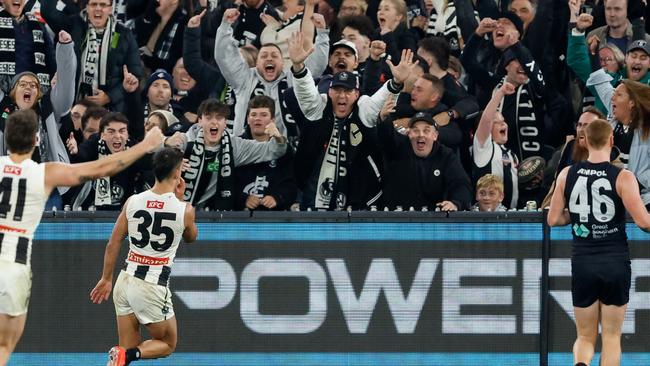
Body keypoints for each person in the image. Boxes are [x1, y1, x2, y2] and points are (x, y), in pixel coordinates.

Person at [0, 109, 164, 366]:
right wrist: (145, 145)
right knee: (4, 345)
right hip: (14, 264)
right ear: (37, 140)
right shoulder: (45, 172)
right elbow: (101, 167)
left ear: (6, 138)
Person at [548, 119, 650, 366]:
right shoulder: (623, 176)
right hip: (614, 260)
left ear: (586, 141)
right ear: (611, 141)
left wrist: (582, 216)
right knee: (612, 336)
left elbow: (553, 219)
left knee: (584, 335)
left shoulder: (566, 173)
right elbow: (644, 222)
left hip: (583, 261)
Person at [90, 147, 197, 366]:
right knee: (167, 343)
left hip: (125, 280)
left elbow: (114, 243)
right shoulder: (184, 209)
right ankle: (129, 355)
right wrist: (180, 198)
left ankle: (125, 356)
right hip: (152, 284)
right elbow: (191, 237)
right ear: (177, 174)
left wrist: (106, 278)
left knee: (123, 353)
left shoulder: (133, 201)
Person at [378, 110, 472, 211]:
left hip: (433, 220)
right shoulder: (398, 148)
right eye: (416, 130)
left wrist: (455, 203)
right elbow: (386, 137)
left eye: (426, 130)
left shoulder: (446, 156)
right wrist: (384, 119)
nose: (421, 135)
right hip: (395, 219)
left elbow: (461, 184)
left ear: (435, 135)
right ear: (409, 134)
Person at [473, 81, 519, 209]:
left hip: (511, 216)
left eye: (503, 121)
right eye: (497, 123)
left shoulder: (512, 154)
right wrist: (501, 93)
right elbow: (486, 119)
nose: (503, 125)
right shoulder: (484, 148)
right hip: (488, 215)